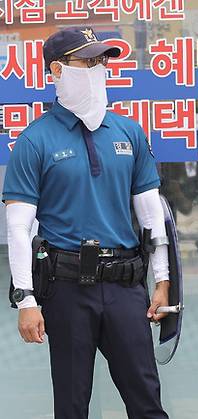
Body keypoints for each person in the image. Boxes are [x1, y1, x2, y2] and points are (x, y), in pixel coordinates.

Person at [3, 27, 170, 418]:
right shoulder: (35, 140)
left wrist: (162, 279)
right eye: (87, 61)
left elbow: (151, 213)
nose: (98, 69)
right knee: (73, 403)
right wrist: (25, 300)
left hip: (126, 287)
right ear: (57, 71)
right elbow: (17, 228)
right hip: (66, 289)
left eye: (102, 61)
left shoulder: (128, 131)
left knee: (146, 398)